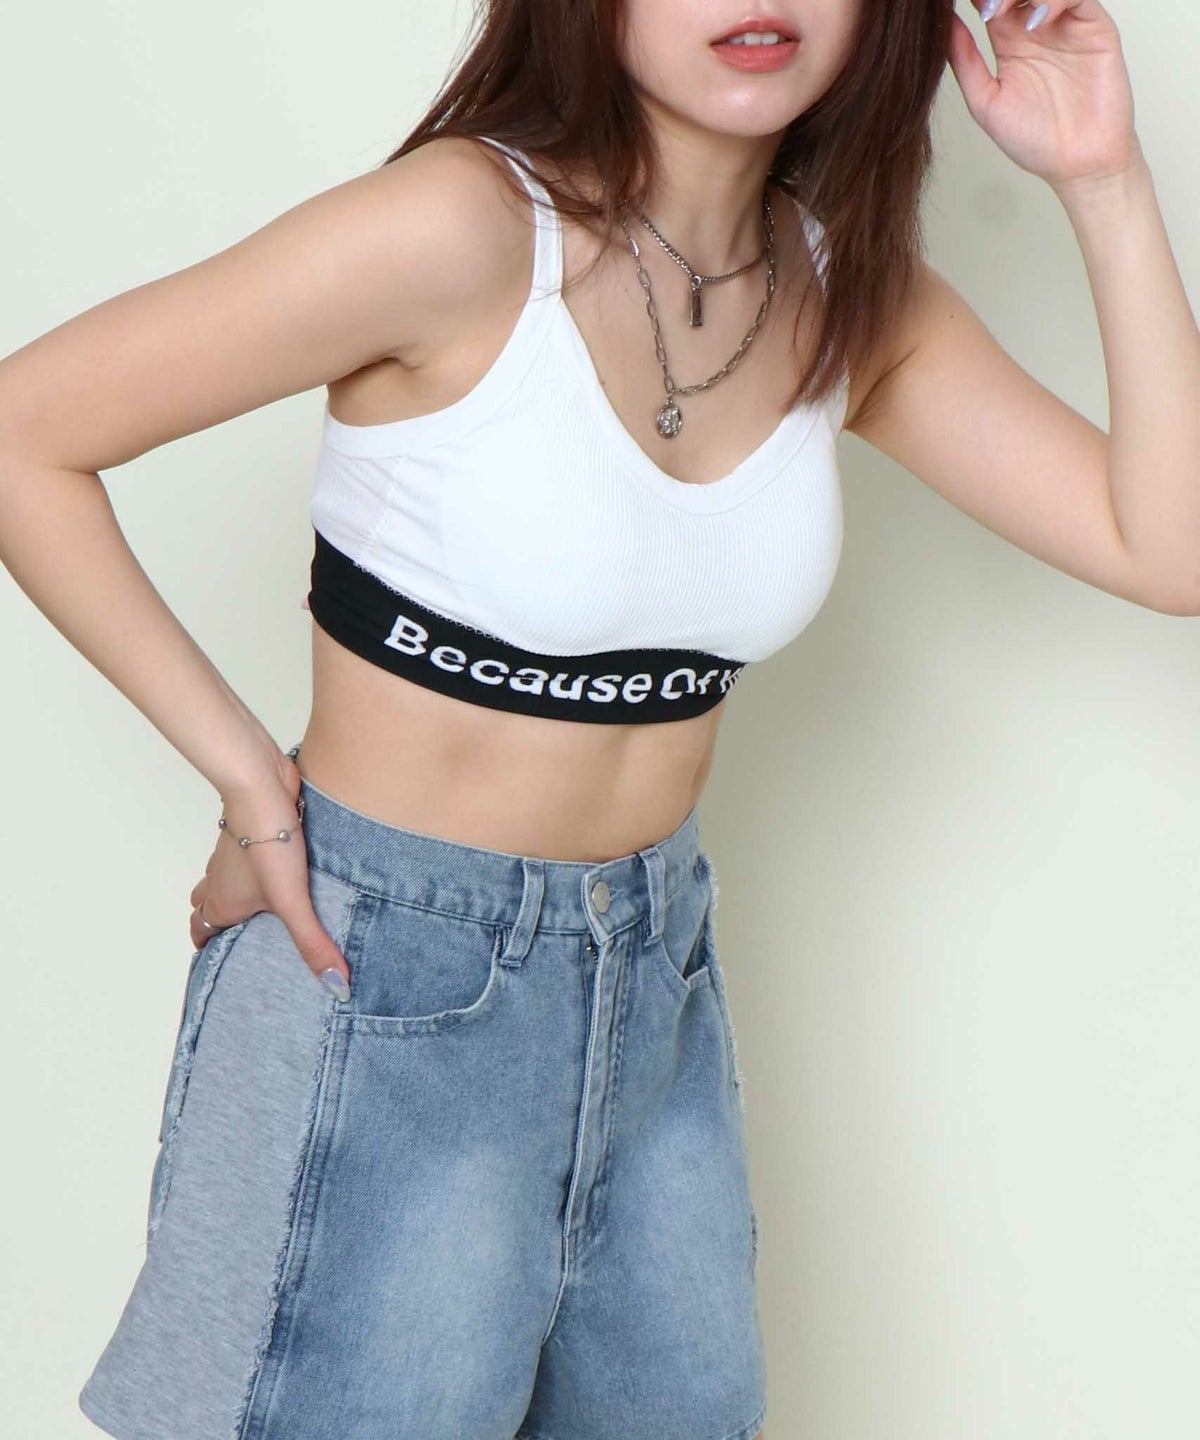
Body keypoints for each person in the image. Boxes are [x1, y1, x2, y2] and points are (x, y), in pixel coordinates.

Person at [2, 1, 1196, 1437]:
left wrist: (1104, 180)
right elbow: (24, 430)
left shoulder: (849, 298)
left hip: (655, 977)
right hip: (389, 970)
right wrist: (251, 782)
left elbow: (1168, 549)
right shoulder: (458, 231)